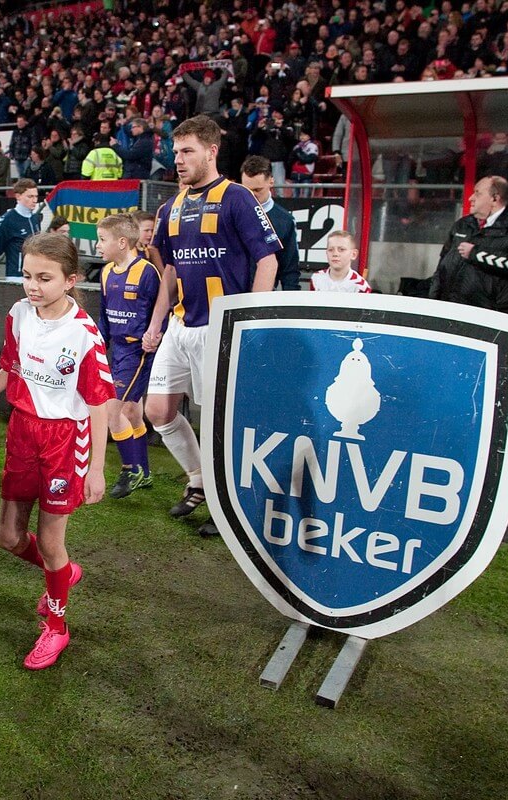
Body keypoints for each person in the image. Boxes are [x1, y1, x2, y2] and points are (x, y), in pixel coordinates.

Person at [0, 232, 114, 669]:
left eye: (44, 278)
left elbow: (99, 404)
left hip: (66, 442)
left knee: (51, 542)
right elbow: (10, 368)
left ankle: (57, 627)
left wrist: (98, 469)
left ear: (71, 280)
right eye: (27, 276)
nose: (32, 286)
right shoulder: (18, 313)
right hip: (22, 434)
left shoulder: (85, 335)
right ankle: (63, 574)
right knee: (8, 538)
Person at [145, 115, 281, 537]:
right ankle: (200, 481)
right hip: (181, 327)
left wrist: (249, 322)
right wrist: (157, 322)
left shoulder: (238, 197)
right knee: (158, 411)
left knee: (221, 424)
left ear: (211, 151)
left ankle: (233, 508)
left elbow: (268, 260)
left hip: (220, 329)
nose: (178, 159)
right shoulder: (170, 206)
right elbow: (169, 271)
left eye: (187, 151)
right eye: (175, 151)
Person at [97, 214, 163, 498]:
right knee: (132, 412)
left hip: (137, 352)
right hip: (116, 351)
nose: (98, 245)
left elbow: (163, 311)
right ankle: (144, 473)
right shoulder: (105, 273)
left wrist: (155, 337)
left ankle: (130, 469)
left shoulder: (147, 272)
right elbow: (103, 315)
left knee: (112, 412)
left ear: (122, 242)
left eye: (102, 239)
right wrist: (99, 344)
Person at [428, 175, 508, 313]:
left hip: (487, 317)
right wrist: (433, 299)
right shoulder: (462, 225)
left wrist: (476, 253)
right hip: (447, 309)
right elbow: (442, 265)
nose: (471, 198)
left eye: (477, 193)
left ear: (495, 198)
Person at [240, 155, 301, 290]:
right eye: (246, 190)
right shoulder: (230, 213)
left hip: (263, 298)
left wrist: (291, 306)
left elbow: (290, 271)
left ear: (271, 182)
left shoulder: (285, 221)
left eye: (257, 190)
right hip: (229, 297)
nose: (251, 195)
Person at [0, 178, 41, 280]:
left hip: (36, 276)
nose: (34, 200)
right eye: (30, 196)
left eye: (36, 196)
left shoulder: (35, 218)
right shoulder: (7, 219)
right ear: (18, 196)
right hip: (16, 276)